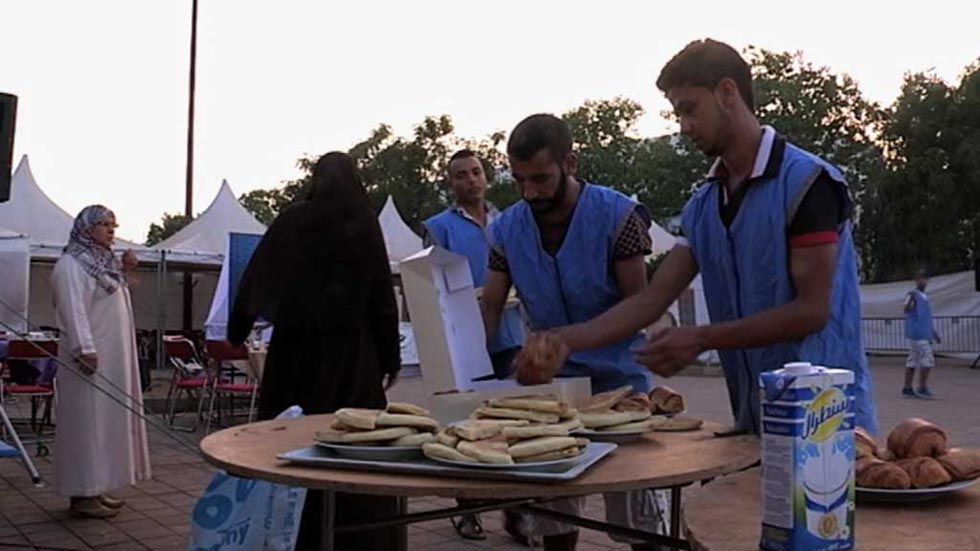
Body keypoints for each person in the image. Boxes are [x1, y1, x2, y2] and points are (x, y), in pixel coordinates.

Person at [519, 39, 879, 436]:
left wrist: (701, 338)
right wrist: (561, 341)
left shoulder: (807, 182)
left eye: (689, 109)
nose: (683, 126)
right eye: (677, 113)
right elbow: (651, 300)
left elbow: (811, 311)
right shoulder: (703, 205)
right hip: (755, 421)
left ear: (727, 92)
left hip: (828, 424)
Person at [483, 114, 668, 551]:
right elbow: (490, 305)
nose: (529, 192)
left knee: (640, 518)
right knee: (555, 515)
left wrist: (567, 341)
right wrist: (471, 372)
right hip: (551, 391)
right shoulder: (505, 230)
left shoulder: (618, 216)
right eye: (519, 180)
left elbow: (637, 305)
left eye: (540, 179)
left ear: (569, 163)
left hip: (621, 382)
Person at [228, 152, 404, 550]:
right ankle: (359, 542)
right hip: (353, 362)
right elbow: (381, 296)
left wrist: (238, 330)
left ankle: (293, 537)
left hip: (294, 359)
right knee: (353, 449)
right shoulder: (363, 223)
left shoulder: (292, 221)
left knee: (290, 447)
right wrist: (389, 358)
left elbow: (255, 277)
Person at [422, 149, 527, 541]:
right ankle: (468, 509)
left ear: (487, 176)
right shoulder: (439, 227)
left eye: (476, 172)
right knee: (466, 424)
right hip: (464, 340)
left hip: (511, 335)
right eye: (461, 174)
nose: (471, 180)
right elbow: (430, 284)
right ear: (451, 182)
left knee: (514, 422)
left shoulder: (509, 220)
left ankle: (516, 511)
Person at [51, 205, 150, 518]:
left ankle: (96, 487)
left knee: (103, 424)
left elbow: (122, 292)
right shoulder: (71, 264)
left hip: (108, 357)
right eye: (104, 224)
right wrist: (84, 349)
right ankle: (82, 494)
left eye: (113, 225)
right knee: (86, 425)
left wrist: (128, 268)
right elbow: (73, 309)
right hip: (88, 359)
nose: (111, 230)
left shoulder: (101, 264)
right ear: (87, 227)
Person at [903, 270, 940, 398]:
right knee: (928, 360)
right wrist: (910, 303)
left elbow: (926, 317)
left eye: (925, 279)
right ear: (916, 280)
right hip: (918, 333)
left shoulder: (924, 297)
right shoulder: (913, 295)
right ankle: (922, 387)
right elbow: (906, 309)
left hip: (921, 332)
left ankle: (907, 387)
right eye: (920, 279)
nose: (923, 281)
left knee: (912, 360)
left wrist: (933, 332)